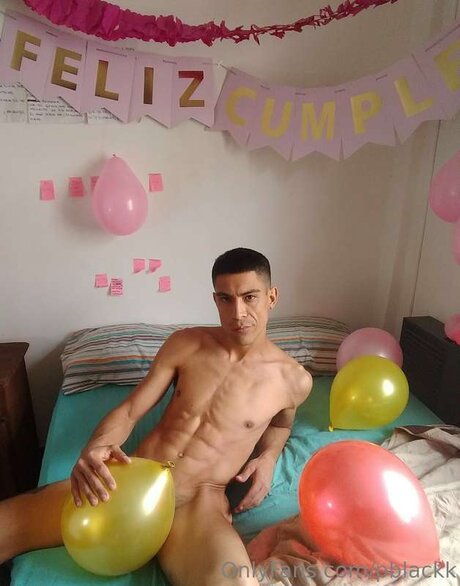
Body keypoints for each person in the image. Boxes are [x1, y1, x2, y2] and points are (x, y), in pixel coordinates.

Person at [0, 247, 312, 586]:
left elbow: (281, 423)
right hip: (129, 479)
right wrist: (96, 447)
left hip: (199, 503)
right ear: (215, 300)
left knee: (237, 583)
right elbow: (131, 410)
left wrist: (268, 457)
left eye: (250, 297)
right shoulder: (186, 344)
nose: (238, 313)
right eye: (226, 299)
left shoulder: (293, 380)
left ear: (271, 297)